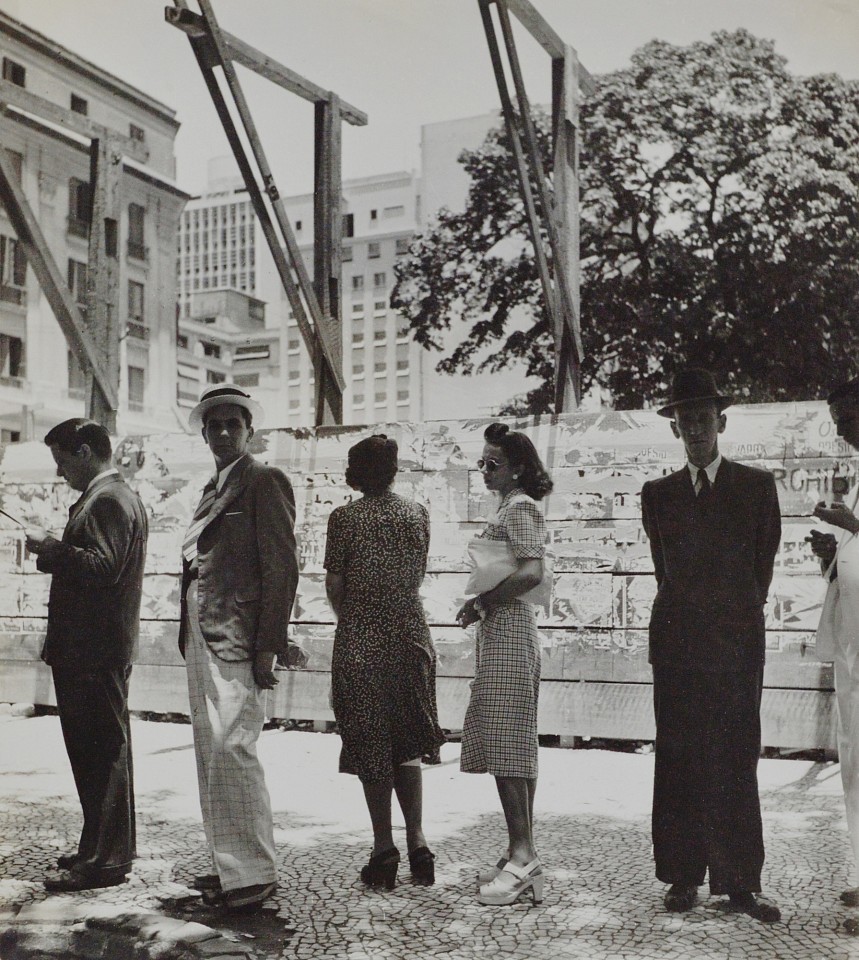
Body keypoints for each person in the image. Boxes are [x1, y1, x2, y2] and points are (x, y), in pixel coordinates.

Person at [641, 368, 782, 922]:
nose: (695, 427)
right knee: (677, 758)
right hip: (677, 645)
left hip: (735, 644)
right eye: (685, 419)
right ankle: (682, 876)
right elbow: (664, 571)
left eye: (704, 418)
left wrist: (733, 617)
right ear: (675, 430)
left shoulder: (756, 486)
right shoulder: (658, 495)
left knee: (735, 757)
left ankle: (741, 882)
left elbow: (762, 567)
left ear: (720, 423)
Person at [180, 384, 299, 912]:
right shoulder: (212, 489)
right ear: (204, 434)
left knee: (235, 749)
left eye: (234, 423)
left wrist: (268, 645)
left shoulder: (263, 480)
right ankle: (228, 868)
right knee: (212, 754)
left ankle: (255, 875)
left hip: (238, 634)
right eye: (215, 424)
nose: (224, 432)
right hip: (202, 632)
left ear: (250, 431)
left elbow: (282, 567)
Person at [26, 419, 147, 892]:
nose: (60, 473)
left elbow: (103, 567)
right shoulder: (112, 497)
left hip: (92, 650)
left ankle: (106, 859)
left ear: (83, 451)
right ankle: (101, 846)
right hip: (94, 648)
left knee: (101, 752)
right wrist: (53, 549)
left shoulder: (110, 500)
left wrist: (52, 548)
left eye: (61, 461)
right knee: (98, 751)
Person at [324, 435, 445, 890]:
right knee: (408, 740)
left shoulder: (345, 519)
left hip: (361, 638)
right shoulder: (417, 513)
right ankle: (419, 844)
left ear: (356, 473)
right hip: (411, 635)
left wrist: (355, 618)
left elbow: (336, 585)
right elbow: (417, 572)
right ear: (393, 470)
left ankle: (383, 849)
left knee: (370, 741)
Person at [456, 422, 553, 906]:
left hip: (511, 630)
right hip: (505, 629)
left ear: (518, 467)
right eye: (482, 463)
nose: (485, 471)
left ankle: (522, 856)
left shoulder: (518, 507)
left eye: (493, 464)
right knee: (511, 738)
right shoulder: (513, 506)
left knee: (507, 740)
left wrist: (484, 599)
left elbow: (532, 570)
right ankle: (523, 852)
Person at [808, 375, 859, 908]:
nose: (843, 430)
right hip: (852, 642)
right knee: (855, 763)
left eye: (849, 418)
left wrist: (855, 526)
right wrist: (832, 552)